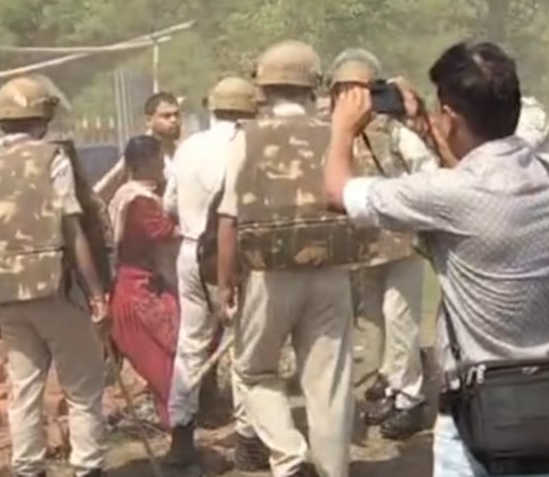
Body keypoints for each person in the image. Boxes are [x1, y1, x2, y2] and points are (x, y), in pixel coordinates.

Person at [324, 41, 549, 477]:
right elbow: (476, 167)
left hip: (480, 410)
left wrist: (341, 129)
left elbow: (338, 193)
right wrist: (428, 126)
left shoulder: (444, 195)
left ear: (451, 116)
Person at [0, 75, 109, 477]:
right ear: (45, 116)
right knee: (83, 388)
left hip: (4, 296)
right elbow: (72, 229)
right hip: (54, 290)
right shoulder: (50, 158)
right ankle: (87, 468)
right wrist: (97, 293)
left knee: (25, 390)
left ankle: (27, 468)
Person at [215, 39, 355, 477]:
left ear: (263, 88)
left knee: (254, 370)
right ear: (313, 86)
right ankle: (334, 471)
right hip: (332, 269)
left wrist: (226, 283)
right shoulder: (336, 130)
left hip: (268, 274)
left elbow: (229, 220)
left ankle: (289, 458)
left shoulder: (248, 136)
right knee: (329, 382)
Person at [327, 48, 439, 440]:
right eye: (345, 89)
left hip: (400, 239)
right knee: (372, 319)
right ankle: (391, 385)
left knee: (400, 317)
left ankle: (410, 397)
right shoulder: (332, 133)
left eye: (360, 88)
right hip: (361, 246)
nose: (352, 96)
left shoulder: (394, 130)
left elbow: (427, 170)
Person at [162, 76, 266, 469]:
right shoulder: (249, 144)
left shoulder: (189, 147)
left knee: (189, 346)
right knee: (244, 344)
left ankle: (181, 436)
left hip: (190, 252)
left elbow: (169, 203)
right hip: (232, 255)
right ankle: (247, 438)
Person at [108, 135, 181, 429]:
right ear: (148, 162)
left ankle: (176, 436)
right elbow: (163, 232)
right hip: (136, 294)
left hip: (138, 287)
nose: (163, 167)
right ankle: (178, 443)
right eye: (159, 160)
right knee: (169, 376)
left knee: (169, 370)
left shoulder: (125, 195)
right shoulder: (139, 200)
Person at [95, 91, 183, 204]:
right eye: (166, 116)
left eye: (176, 115)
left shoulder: (184, 150)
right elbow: (104, 189)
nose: (174, 120)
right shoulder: (141, 152)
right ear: (149, 121)